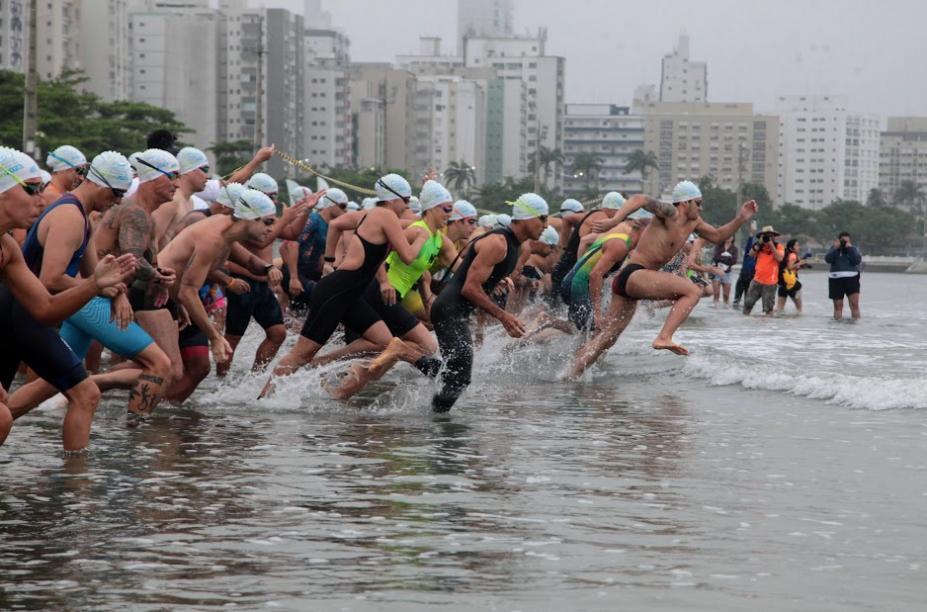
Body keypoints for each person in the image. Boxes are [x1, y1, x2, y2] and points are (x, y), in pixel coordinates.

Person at [9, 151, 174, 426]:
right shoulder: (70, 216)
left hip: (68, 303)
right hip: (44, 305)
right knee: (160, 364)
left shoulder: (82, 216)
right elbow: (51, 279)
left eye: (123, 193)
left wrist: (117, 292)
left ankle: (10, 418)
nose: (119, 200)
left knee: (58, 380)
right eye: (116, 192)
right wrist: (106, 291)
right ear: (98, 184)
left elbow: (97, 272)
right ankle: (135, 438)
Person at [0, 147, 136, 450]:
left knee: (7, 410)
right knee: (80, 394)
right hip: (16, 315)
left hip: (21, 313)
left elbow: (47, 307)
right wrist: (94, 286)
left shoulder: (8, 247)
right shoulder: (68, 215)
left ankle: (75, 489)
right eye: (32, 188)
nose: (42, 196)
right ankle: (76, 485)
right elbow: (51, 279)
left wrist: (99, 286)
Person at [258, 174, 428, 398]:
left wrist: (329, 261)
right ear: (393, 198)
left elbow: (336, 224)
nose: (406, 205)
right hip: (336, 292)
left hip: (349, 294)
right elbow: (407, 256)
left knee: (385, 344)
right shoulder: (386, 216)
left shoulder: (370, 214)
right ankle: (264, 398)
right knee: (302, 352)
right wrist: (422, 237)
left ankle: (322, 370)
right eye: (405, 200)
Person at [569, 182, 758, 378]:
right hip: (635, 273)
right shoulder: (670, 213)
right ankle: (664, 337)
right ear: (685, 203)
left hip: (630, 280)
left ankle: (569, 374)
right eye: (698, 203)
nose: (701, 208)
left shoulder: (695, 223)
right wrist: (614, 220)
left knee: (607, 338)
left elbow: (718, 236)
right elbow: (639, 199)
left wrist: (741, 218)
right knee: (693, 291)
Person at [428, 193, 548, 412]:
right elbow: (469, 287)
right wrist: (503, 316)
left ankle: (435, 418)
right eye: (542, 218)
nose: (546, 225)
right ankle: (406, 356)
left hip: (457, 312)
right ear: (527, 218)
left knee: (458, 376)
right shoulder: (498, 242)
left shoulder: (515, 246)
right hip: (449, 310)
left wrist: (494, 280)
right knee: (459, 377)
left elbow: (477, 277)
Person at [157, 189, 281, 401]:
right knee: (164, 367)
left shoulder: (228, 232)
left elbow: (251, 261)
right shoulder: (212, 238)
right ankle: (96, 386)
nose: (271, 229)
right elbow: (188, 291)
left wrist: (269, 268)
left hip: (180, 304)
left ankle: (162, 414)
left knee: (199, 368)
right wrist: (215, 337)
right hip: (158, 298)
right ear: (250, 218)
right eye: (268, 222)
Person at [216, 175, 318, 377]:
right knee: (233, 338)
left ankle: (254, 378)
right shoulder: (245, 219)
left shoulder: (269, 218)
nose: (273, 201)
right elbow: (260, 244)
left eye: (274, 196)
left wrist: (306, 210)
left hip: (262, 287)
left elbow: (292, 233)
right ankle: (221, 381)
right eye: (269, 196)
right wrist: (286, 218)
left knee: (278, 333)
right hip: (243, 285)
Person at [561, 215, 648, 332]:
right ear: (642, 232)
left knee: (578, 329)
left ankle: (545, 322)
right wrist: (597, 312)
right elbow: (595, 275)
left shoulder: (621, 240)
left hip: (571, 282)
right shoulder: (620, 246)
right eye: (651, 236)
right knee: (595, 329)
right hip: (577, 285)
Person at [280, 187, 348, 313]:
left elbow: (320, 256)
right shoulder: (313, 220)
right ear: (331, 204)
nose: (346, 210)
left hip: (308, 275)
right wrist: (294, 278)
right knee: (325, 301)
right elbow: (288, 246)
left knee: (300, 316)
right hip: (295, 275)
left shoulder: (331, 226)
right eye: (343, 206)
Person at [549, 192, 625, 296]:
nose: (621, 217)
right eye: (620, 213)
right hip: (569, 273)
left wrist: (564, 248)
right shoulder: (603, 219)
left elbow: (567, 219)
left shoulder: (592, 214)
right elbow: (585, 240)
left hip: (562, 268)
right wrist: (579, 272)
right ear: (613, 209)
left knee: (555, 309)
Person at [742, 225, 784, 316]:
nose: (768, 237)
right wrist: (759, 243)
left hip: (770, 283)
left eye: (770, 235)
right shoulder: (758, 246)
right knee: (747, 306)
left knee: (768, 310)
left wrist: (771, 244)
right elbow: (750, 254)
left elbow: (780, 258)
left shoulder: (778, 246)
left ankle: (767, 329)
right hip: (756, 281)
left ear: (773, 236)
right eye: (766, 235)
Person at [825, 230, 862, 320]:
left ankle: (855, 326)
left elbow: (857, 261)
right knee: (838, 306)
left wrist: (850, 248)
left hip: (851, 277)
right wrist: (836, 248)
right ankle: (837, 328)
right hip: (835, 278)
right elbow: (828, 259)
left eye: (846, 241)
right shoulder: (834, 248)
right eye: (843, 241)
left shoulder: (853, 249)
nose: (844, 243)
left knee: (854, 305)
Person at [776, 238, 808, 313]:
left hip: (783, 284)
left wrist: (798, 266)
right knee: (799, 309)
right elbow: (790, 267)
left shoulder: (786, 255)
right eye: (797, 245)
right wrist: (800, 263)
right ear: (791, 248)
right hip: (791, 284)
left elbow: (788, 267)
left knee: (779, 309)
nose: (799, 247)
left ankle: (775, 323)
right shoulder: (793, 255)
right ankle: (796, 323)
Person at [732, 221, 758, 307]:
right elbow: (749, 242)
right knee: (736, 300)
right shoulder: (748, 254)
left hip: (751, 281)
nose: (755, 250)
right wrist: (752, 232)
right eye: (754, 248)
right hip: (742, 279)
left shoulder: (759, 259)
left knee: (747, 302)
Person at [711, 236, 738, 305]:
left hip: (727, 273)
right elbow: (715, 257)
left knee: (726, 296)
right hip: (716, 271)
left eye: (731, 236)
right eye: (727, 235)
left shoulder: (734, 249)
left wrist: (723, 258)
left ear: (733, 238)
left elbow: (734, 261)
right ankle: (715, 310)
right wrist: (728, 257)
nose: (729, 237)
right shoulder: (719, 246)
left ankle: (726, 311)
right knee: (716, 294)